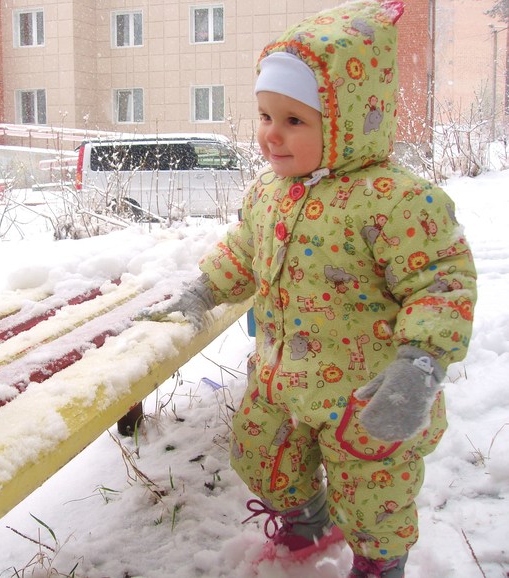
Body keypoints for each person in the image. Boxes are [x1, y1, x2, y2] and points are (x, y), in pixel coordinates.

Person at [150, 1, 478, 576]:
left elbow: (442, 282)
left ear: (349, 119)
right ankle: (307, 519)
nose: (270, 135)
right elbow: (244, 252)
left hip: (364, 390)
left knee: (372, 489)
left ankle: (380, 561)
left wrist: (420, 363)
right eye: (263, 115)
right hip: (281, 376)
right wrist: (204, 290)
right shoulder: (268, 193)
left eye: (293, 120)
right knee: (259, 452)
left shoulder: (397, 200)